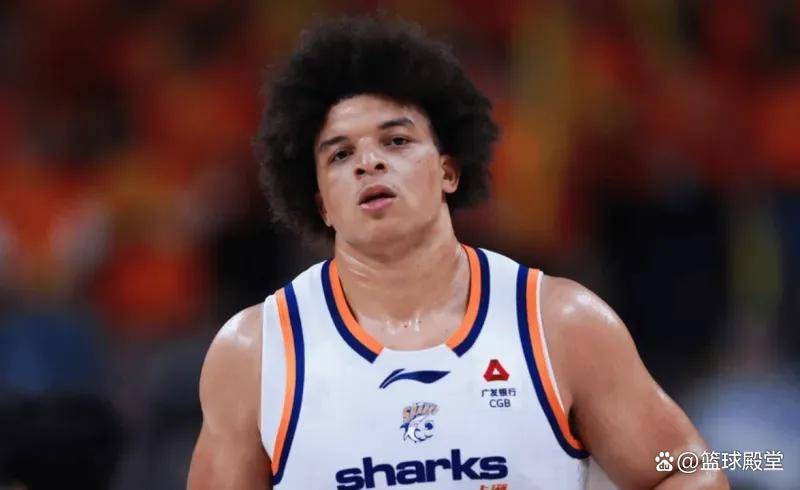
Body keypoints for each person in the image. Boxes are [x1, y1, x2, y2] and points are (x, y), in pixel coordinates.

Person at [187, 15, 729, 490]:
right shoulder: (254, 353)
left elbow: (688, 469)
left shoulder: (562, 324)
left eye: (396, 141)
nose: (369, 162)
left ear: (448, 170)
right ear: (321, 204)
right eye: (340, 154)